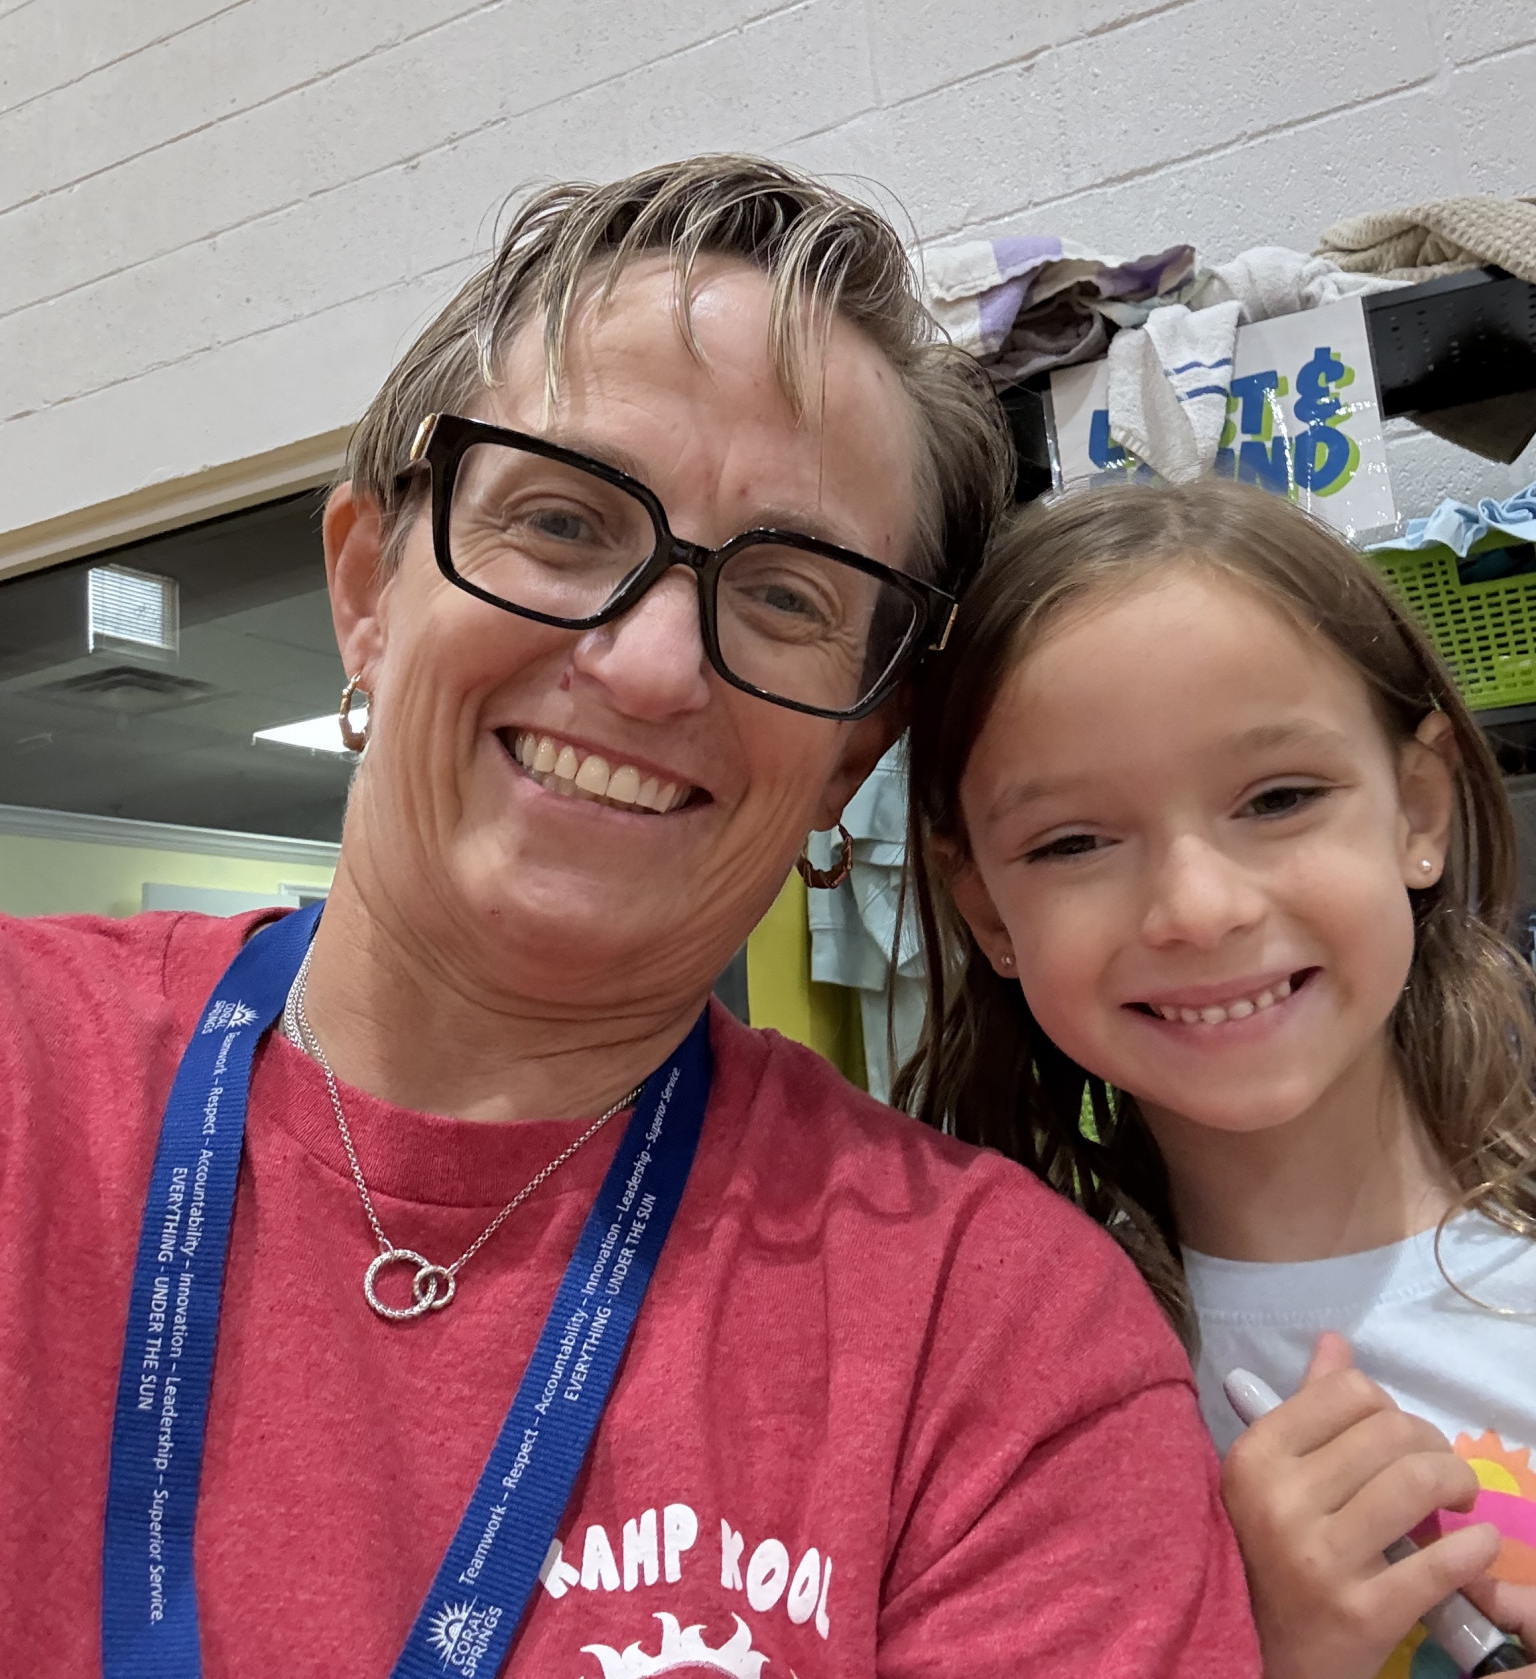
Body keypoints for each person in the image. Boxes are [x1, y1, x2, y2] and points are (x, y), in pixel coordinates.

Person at [0, 157, 1259, 1677]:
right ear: (369, 589)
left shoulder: (998, 1342)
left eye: (788, 595)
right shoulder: (24, 1071)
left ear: (852, 755)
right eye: (562, 521)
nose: (654, 667)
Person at [900, 477, 1536, 1679]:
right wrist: (1271, 1653)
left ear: (1418, 807)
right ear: (985, 907)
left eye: (1279, 798)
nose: (1198, 906)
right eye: (1073, 841)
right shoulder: (1015, 1387)